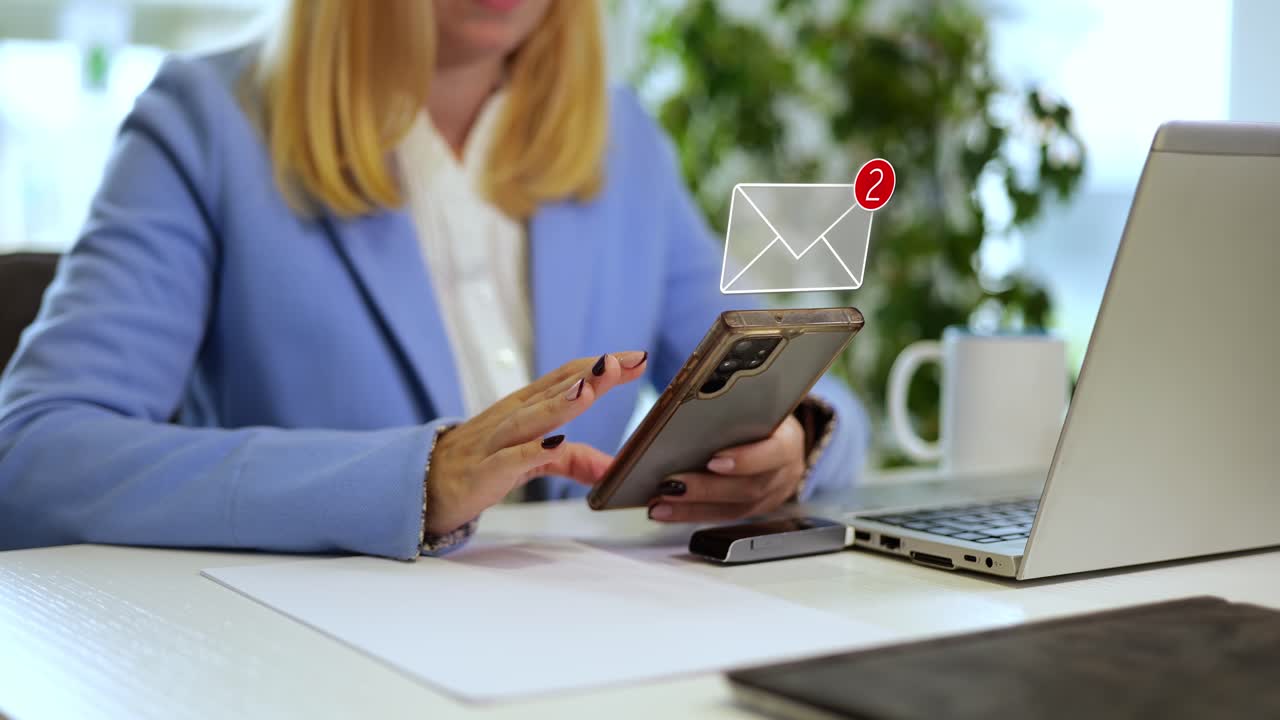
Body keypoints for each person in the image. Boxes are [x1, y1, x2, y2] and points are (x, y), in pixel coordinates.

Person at [0, 0, 869, 559]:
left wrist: (788, 439)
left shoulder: (621, 136)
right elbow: (33, 456)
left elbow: (786, 368)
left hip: (596, 636)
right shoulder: (205, 123)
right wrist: (415, 480)